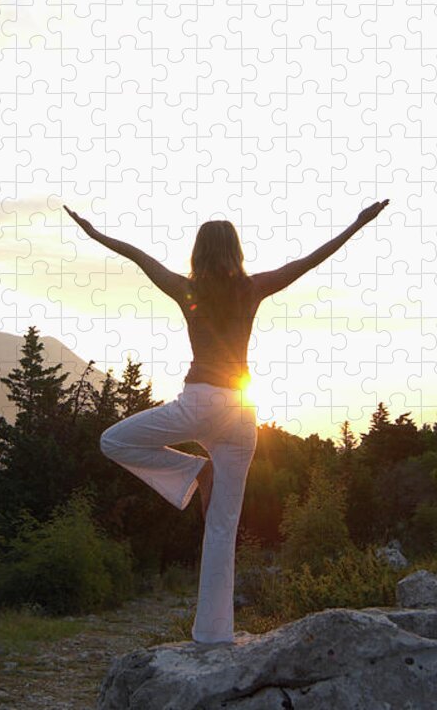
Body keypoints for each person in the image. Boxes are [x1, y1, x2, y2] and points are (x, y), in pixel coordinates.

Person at [63, 199, 390, 645]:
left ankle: (194, 471)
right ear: (236, 250)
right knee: (222, 528)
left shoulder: (187, 289)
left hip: (199, 403)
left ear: (198, 252)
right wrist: (355, 223)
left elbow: (139, 257)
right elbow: (308, 261)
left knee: (112, 441)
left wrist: (94, 234)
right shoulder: (251, 288)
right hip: (240, 413)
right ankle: (214, 636)